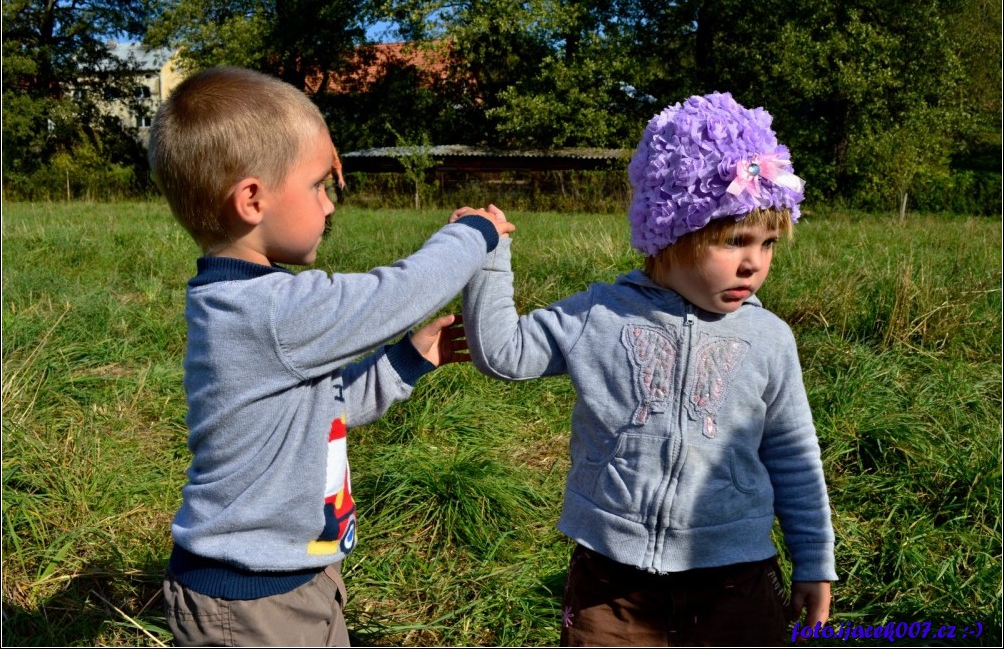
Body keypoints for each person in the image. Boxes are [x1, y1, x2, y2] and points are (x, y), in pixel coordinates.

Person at [148, 66, 514, 647]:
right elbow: (395, 293)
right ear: (252, 199)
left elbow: (323, 411)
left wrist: (410, 359)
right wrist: (471, 235)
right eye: (320, 184)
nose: (331, 204)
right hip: (251, 601)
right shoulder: (269, 308)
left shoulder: (252, 306)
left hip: (299, 575)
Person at [457, 92, 836, 646]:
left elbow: (795, 455)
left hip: (735, 578)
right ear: (672, 233)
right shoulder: (601, 314)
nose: (754, 262)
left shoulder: (769, 339)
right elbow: (503, 353)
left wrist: (814, 561)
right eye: (734, 240)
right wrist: (485, 255)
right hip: (612, 585)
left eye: (768, 243)